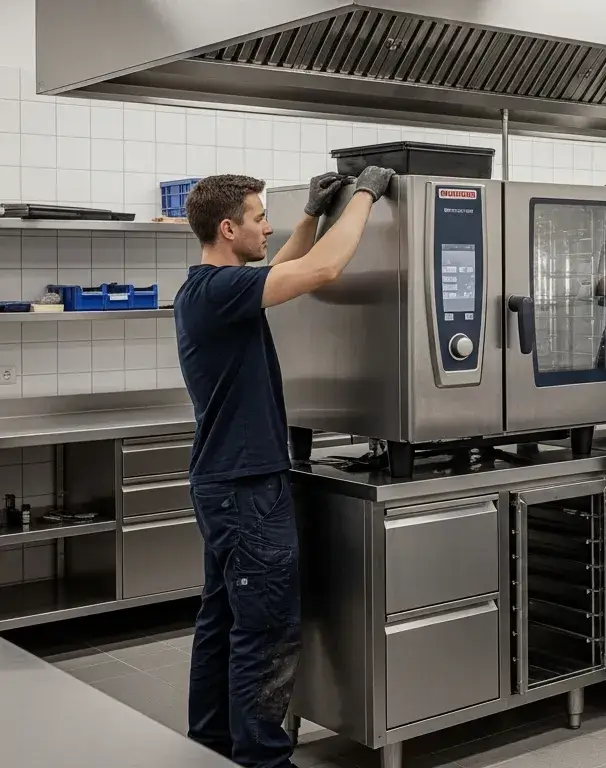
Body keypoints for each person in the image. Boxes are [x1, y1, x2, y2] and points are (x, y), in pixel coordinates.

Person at [175, 167, 395, 768]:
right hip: (247, 490)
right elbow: (320, 270)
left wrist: (306, 217)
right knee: (265, 634)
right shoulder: (220, 293)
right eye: (258, 217)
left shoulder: (210, 289)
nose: (266, 226)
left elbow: (284, 268)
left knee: (221, 621)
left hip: (224, 483)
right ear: (228, 228)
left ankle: (211, 747)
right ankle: (263, 761)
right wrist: (366, 199)